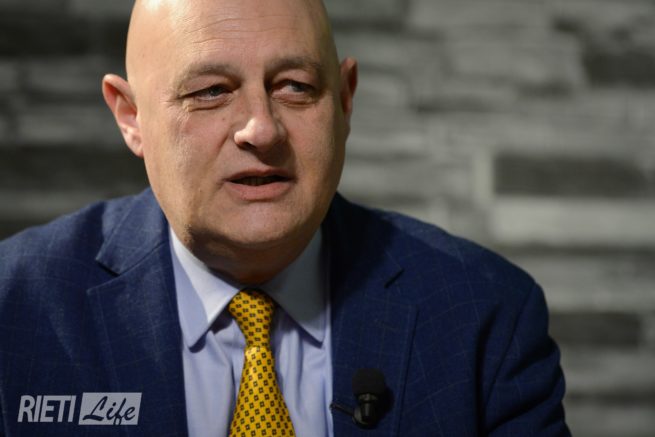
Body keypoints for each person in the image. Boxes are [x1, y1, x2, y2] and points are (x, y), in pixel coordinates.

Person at [0, 0, 570, 435]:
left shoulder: (483, 315)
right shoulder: (15, 307)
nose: (262, 129)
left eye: (295, 87)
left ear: (344, 100)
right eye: (211, 91)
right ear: (131, 117)